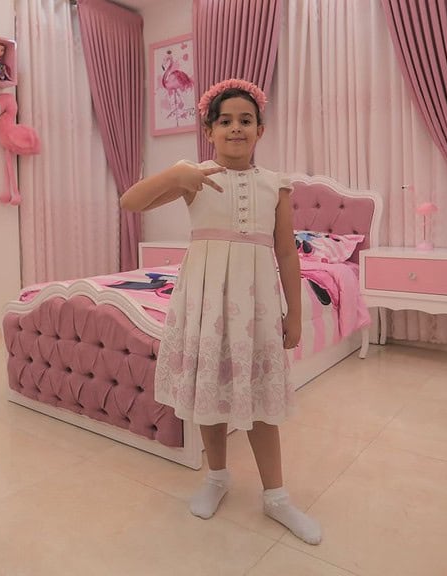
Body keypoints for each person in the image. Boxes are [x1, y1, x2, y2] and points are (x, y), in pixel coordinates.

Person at [119, 78, 322, 545]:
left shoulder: (276, 185)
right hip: (205, 301)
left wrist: (293, 314)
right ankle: (216, 477)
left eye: (245, 120)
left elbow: (287, 253)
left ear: (260, 130)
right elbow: (130, 202)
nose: (235, 128)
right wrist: (177, 174)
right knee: (209, 390)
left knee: (261, 400)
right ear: (209, 130)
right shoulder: (193, 178)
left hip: (256, 306)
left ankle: (276, 497)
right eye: (225, 121)